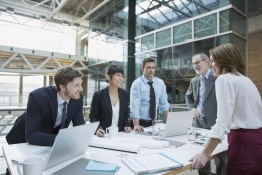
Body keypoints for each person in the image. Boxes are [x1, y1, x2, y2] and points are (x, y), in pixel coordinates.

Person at [190, 43, 262, 175]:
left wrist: (204, 154)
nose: (210, 65)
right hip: (256, 142)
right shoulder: (246, 80)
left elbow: (223, 122)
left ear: (224, 59)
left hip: (242, 143)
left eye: (212, 60)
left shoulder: (224, 79)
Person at [6, 67, 85, 146]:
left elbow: (79, 126)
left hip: (50, 139)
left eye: (80, 84)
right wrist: (64, 140)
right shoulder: (37, 97)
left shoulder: (77, 98)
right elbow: (31, 135)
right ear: (62, 87)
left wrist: (94, 132)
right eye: (76, 85)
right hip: (23, 141)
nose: (81, 89)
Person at [185, 53, 227, 175]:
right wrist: (192, 108)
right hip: (199, 123)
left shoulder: (219, 78)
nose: (195, 65)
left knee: (221, 158)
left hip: (216, 123)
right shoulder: (194, 81)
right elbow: (188, 98)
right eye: (193, 63)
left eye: (198, 62)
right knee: (201, 156)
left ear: (207, 62)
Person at [89, 65, 132, 136]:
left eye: (122, 76)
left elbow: (125, 114)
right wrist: (97, 129)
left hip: (120, 134)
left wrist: (126, 125)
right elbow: (93, 117)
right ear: (108, 77)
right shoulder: (99, 95)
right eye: (118, 75)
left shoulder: (125, 94)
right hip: (103, 135)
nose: (121, 78)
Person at [130, 58, 170, 132]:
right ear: (142, 69)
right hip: (140, 123)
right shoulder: (137, 84)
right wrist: (136, 125)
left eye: (153, 67)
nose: (151, 70)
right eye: (148, 67)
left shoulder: (160, 83)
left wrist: (170, 123)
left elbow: (164, 103)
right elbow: (135, 105)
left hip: (154, 123)